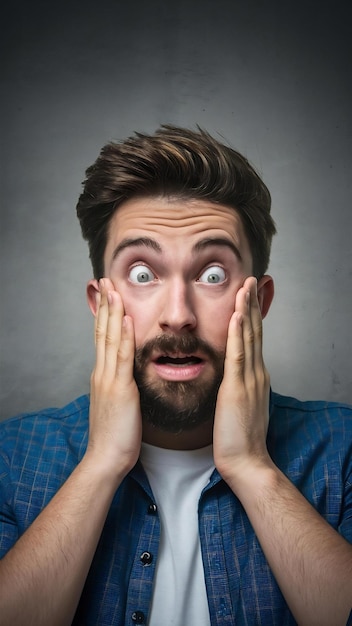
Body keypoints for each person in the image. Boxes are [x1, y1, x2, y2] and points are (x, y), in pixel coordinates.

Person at [0, 125, 351, 626]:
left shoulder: (342, 450)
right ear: (101, 306)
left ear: (259, 302)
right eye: (143, 274)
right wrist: (102, 463)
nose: (178, 315)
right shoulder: (12, 458)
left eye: (212, 274)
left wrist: (252, 466)